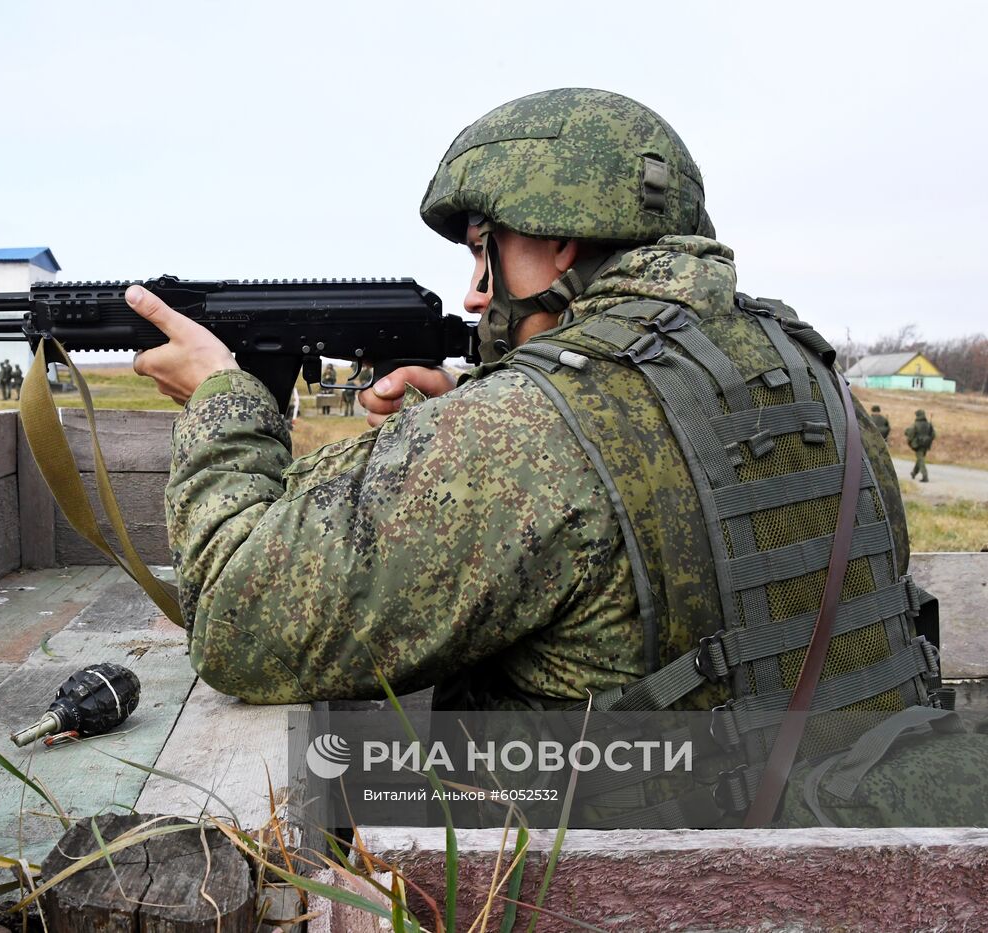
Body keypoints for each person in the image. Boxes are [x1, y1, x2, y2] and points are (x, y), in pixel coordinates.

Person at [126, 89, 959, 825]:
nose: (476, 292)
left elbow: (240, 622)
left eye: (485, 245)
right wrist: (469, 421)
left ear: (563, 246)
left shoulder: (525, 437)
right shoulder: (805, 367)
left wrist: (223, 399)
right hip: (853, 844)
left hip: (632, 891)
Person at [906, 409, 935, 482]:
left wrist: (909, 442)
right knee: (920, 459)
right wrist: (928, 440)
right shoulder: (929, 424)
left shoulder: (915, 424)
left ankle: (925, 476)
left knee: (920, 459)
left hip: (918, 444)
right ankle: (914, 473)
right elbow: (933, 435)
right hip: (926, 444)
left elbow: (910, 434)